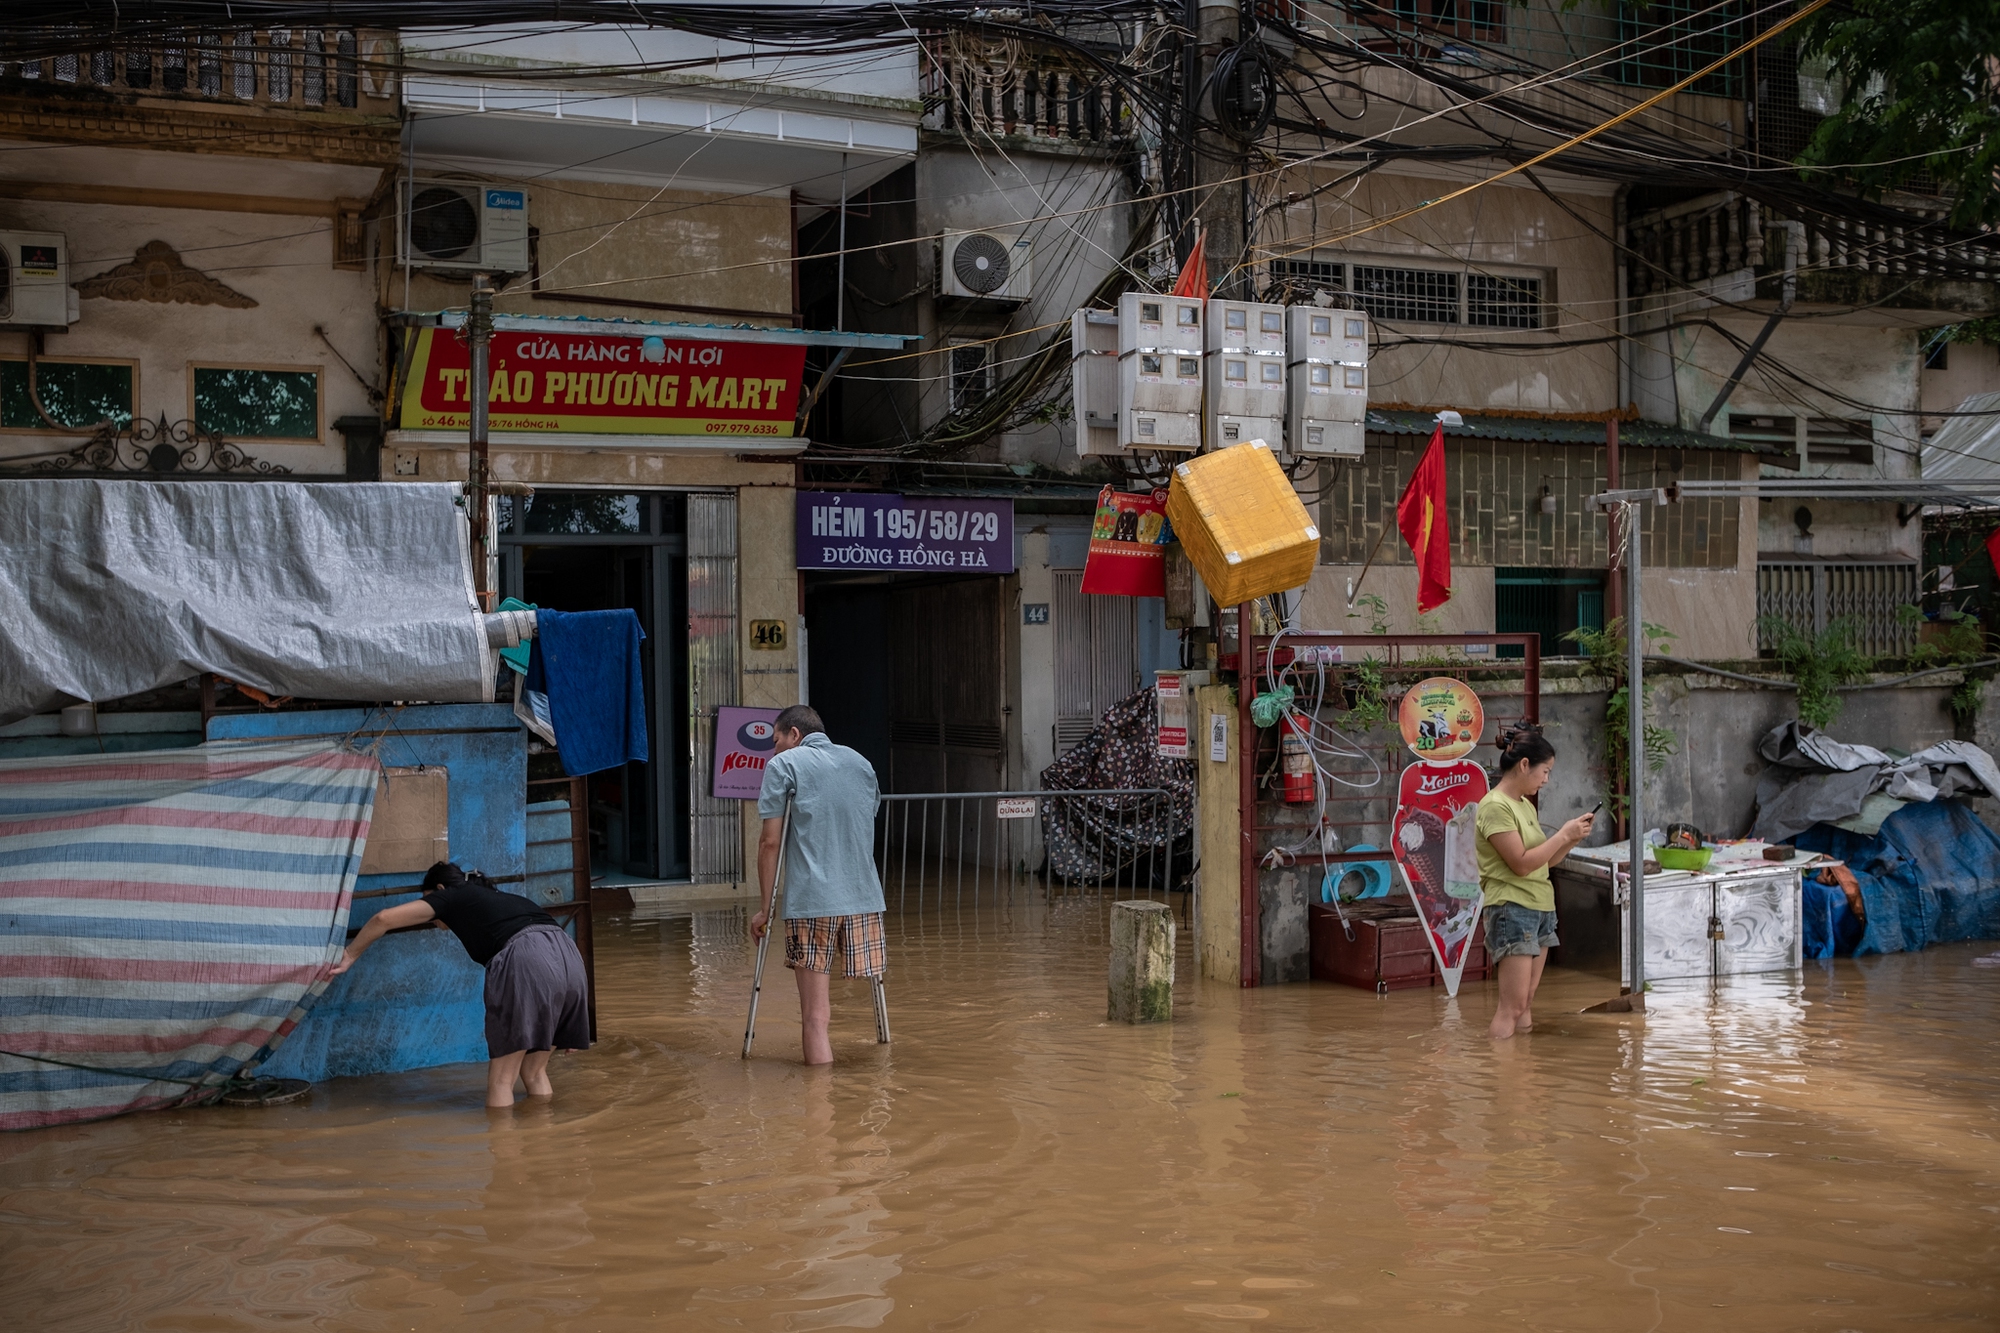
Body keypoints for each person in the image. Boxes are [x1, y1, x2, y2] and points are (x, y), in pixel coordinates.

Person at [329, 862, 590, 1106]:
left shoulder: (452, 896)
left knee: (501, 1080)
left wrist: (350, 954)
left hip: (527, 959)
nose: (431, 915)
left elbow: (383, 919)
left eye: (427, 897)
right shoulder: (507, 900)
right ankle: (547, 1142)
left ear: (439, 890)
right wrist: (566, 1017)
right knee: (534, 1071)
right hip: (569, 961)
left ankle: (505, 1150)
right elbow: (549, 948)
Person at [749, 704, 884, 1065]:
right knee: (876, 1010)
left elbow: (770, 843)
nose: (773, 749)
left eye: (776, 740)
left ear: (794, 734)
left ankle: (819, 1109)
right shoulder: (861, 763)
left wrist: (765, 909)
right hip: (864, 899)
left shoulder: (784, 764)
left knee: (815, 1018)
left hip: (813, 901)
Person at [1476, 723, 1595, 1041]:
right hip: (1513, 909)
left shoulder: (1524, 805)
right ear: (1524, 764)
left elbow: (1545, 862)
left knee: (1525, 1003)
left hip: (1541, 908)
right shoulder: (1494, 806)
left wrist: (1570, 840)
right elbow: (1520, 864)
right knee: (1511, 1008)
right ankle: (1502, 1079)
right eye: (1545, 771)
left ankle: (1522, 1074)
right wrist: (1562, 834)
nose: (1547, 779)